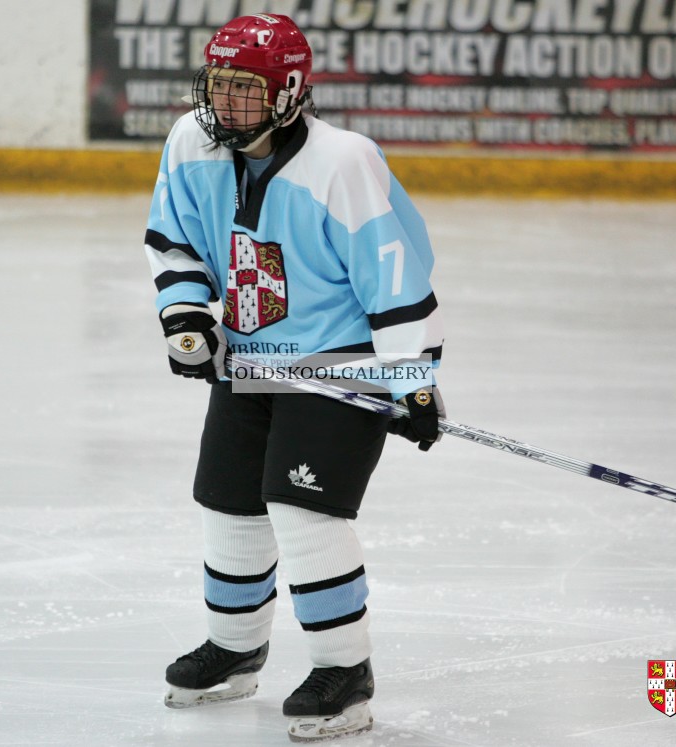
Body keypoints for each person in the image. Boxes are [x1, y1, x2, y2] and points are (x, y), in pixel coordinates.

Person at [144, 13, 444, 742]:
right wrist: (186, 315)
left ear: (289, 93)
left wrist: (414, 379)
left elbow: (394, 275)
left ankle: (344, 671)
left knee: (305, 514)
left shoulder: (345, 162)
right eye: (219, 86)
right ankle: (235, 648)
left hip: (339, 369)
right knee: (230, 505)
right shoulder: (190, 142)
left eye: (247, 90)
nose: (227, 104)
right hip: (247, 363)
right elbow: (172, 235)